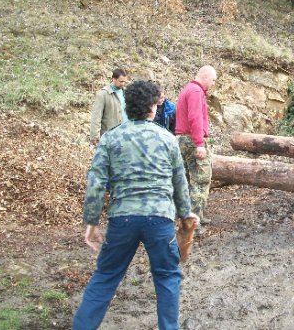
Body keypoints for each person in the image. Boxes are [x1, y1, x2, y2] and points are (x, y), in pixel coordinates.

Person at [73, 80, 199, 330]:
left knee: (106, 276)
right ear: (153, 108)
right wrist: (185, 213)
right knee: (167, 276)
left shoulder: (110, 138)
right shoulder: (167, 139)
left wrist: (91, 222)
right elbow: (179, 181)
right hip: (160, 219)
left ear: (126, 106)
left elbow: (96, 182)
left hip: (123, 218)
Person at [175, 65, 217, 223]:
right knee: (201, 180)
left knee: (186, 178)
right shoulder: (195, 91)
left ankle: (192, 216)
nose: (213, 83)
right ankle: (194, 220)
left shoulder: (189, 89)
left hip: (183, 139)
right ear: (205, 77)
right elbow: (195, 118)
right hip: (192, 140)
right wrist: (199, 143)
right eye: (212, 80)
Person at [89, 68, 129, 146]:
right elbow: (96, 117)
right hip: (110, 138)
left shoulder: (127, 93)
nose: (123, 84)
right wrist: (95, 137)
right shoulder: (103, 94)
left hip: (125, 136)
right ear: (113, 79)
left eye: (124, 81)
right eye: (121, 81)